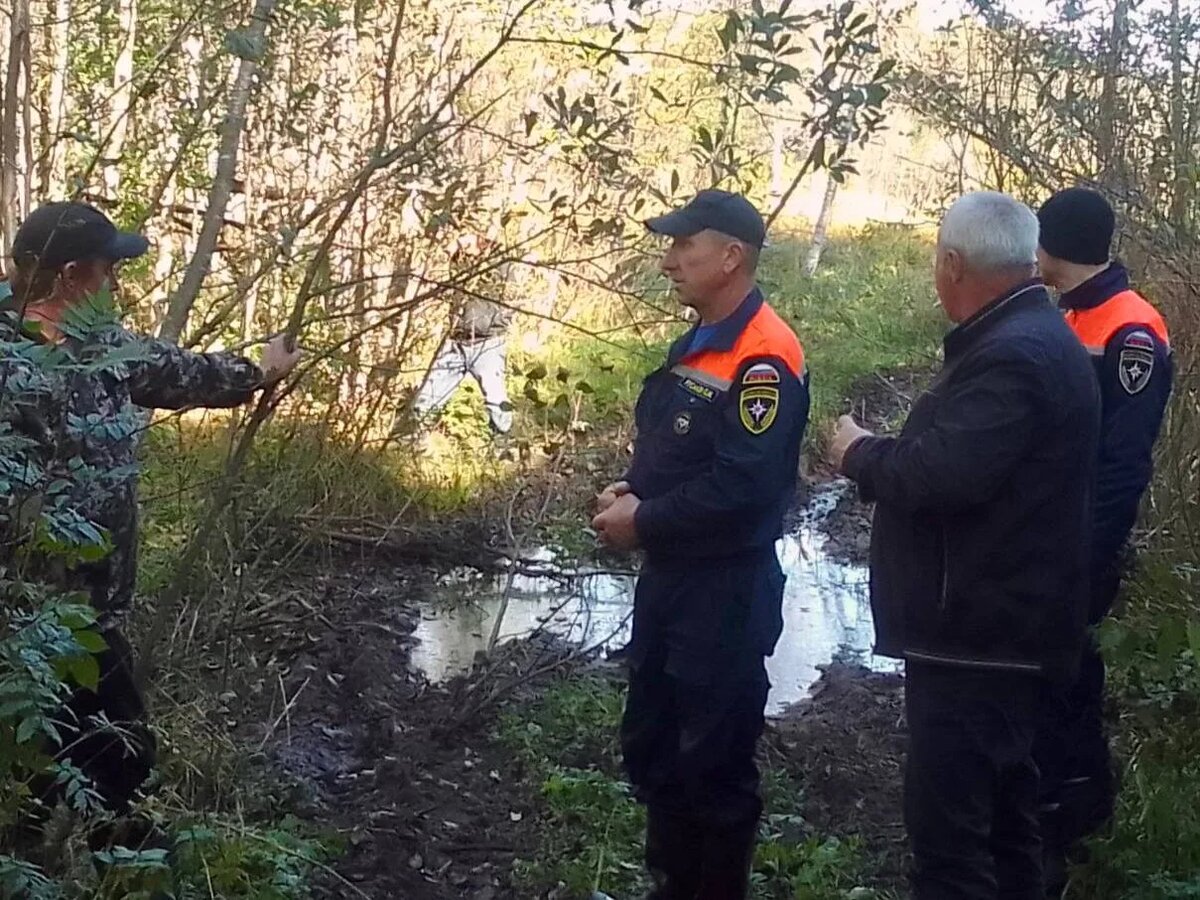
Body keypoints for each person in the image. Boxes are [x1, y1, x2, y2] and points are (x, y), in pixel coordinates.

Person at [0, 201, 301, 847]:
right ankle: (125, 871)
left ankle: (43, 853)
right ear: (72, 274)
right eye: (109, 271)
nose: (115, 286)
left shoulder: (105, 347)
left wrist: (262, 370)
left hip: (92, 609)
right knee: (119, 760)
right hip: (26, 617)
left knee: (55, 758)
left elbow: (188, 374)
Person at [828, 192, 1100, 900]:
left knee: (953, 848)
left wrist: (859, 453)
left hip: (980, 640)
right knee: (1008, 830)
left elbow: (939, 473)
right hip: (1003, 634)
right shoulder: (1029, 339)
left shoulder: (1014, 356)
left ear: (952, 265)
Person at [591, 189, 809, 899]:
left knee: (711, 765)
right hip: (673, 582)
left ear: (731, 256)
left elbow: (742, 488)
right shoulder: (698, 339)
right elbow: (676, 453)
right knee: (655, 743)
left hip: (724, 592)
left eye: (685, 246)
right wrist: (630, 494)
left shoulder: (765, 357)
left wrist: (644, 521)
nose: (669, 261)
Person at [1032, 187, 1173, 891]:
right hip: (1049, 540)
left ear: (1053, 245)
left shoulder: (1131, 329)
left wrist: (1085, 554)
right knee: (1052, 673)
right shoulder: (1074, 315)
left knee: (1063, 677)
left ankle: (1075, 815)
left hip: (1079, 545)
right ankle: (1062, 805)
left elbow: (1123, 463)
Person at [410, 233, 514, 435]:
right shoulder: (459, 261)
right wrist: (457, 245)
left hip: (488, 343)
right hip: (457, 343)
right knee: (426, 400)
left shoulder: (500, 262)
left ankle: (502, 448)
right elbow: (439, 260)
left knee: (497, 403)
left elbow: (511, 291)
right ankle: (414, 444)